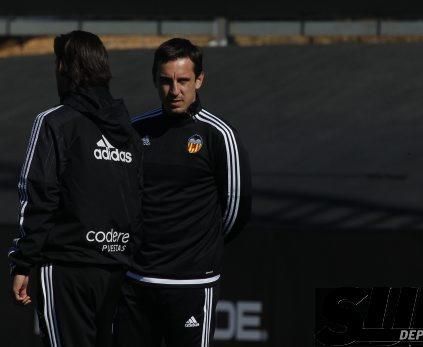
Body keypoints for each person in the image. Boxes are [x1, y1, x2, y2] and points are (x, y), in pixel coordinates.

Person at [8, 31, 142, 347]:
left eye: (58, 62)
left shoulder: (54, 122)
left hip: (66, 267)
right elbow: (138, 202)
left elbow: (39, 193)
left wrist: (23, 262)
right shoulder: (129, 132)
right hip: (117, 268)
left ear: (66, 69)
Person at [114, 38, 252, 347]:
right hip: (137, 282)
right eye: (166, 81)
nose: (174, 90)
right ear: (155, 80)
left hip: (192, 284)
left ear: (199, 80)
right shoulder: (136, 131)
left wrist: (199, 247)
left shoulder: (218, 135)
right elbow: (119, 198)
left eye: (183, 80)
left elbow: (237, 210)